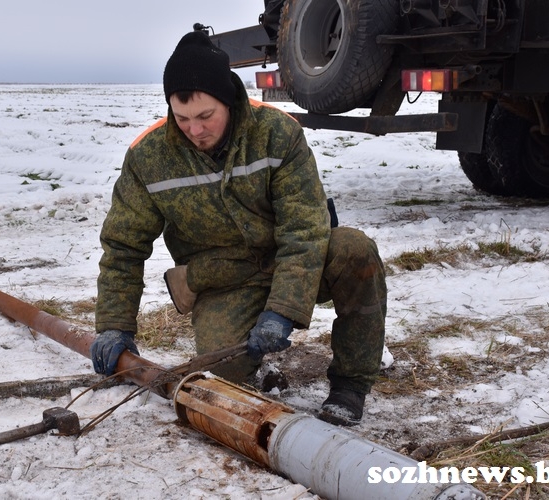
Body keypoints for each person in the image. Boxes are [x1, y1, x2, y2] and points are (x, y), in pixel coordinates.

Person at [90, 30, 387, 426]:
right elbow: (123, 247)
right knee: (224, 377)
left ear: (228, 100)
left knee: (355, 250)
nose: (194, 130)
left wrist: (283, 309)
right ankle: (256, 368)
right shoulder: (149, 158)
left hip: (292, 261)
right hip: (224, 280)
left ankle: (350, 384)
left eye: (205, 116)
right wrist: (114, 325)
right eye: (181, 119)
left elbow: (304, 230)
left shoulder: (277, 133)